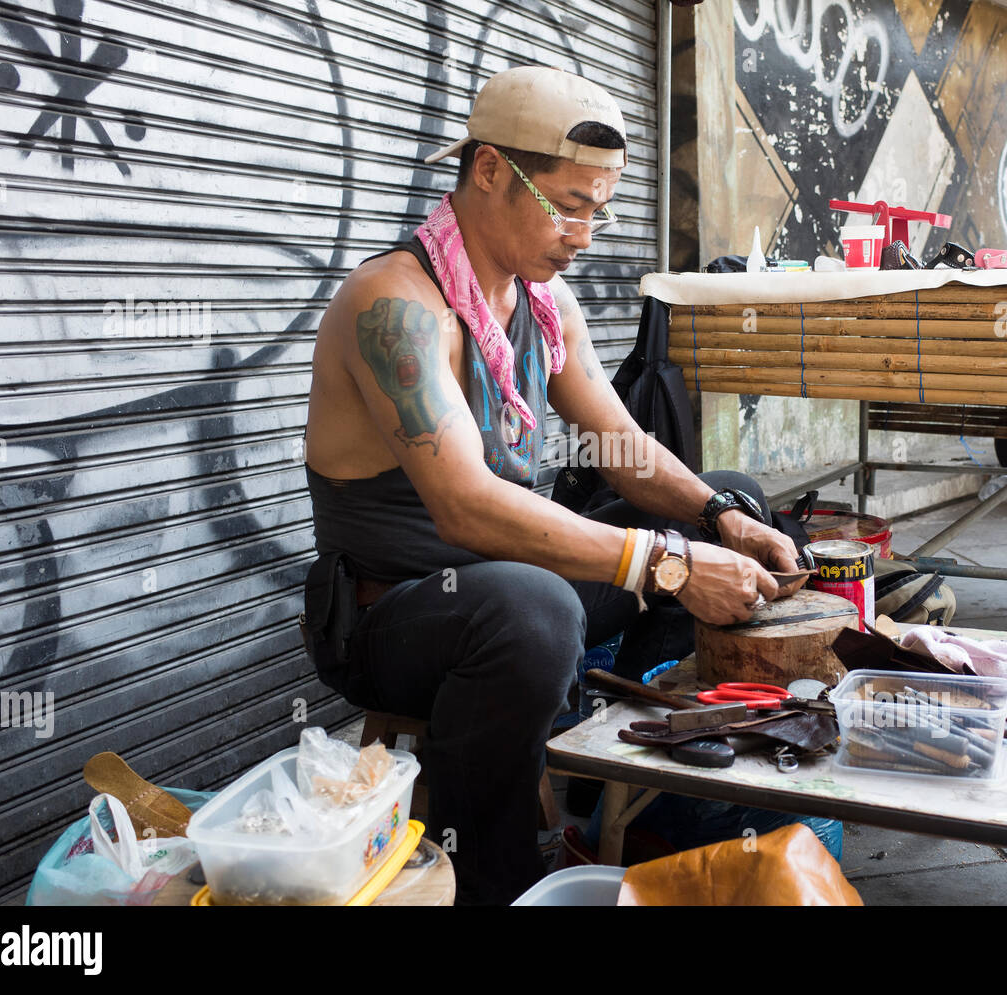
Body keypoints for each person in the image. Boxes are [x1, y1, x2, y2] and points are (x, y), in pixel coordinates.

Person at [300, 65, 808, 905]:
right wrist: (665, 563)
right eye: (569, 203)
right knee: (536, 611)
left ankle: (631, 803)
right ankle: (495, 881)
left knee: (727, 501)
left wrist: (717, 517)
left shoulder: (542, 303)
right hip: (392, 614)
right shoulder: (391, 306)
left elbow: (624, 448)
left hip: (518, 584)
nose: (584, 232)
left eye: (598, 210)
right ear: (491, 170)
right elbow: (463, 504)